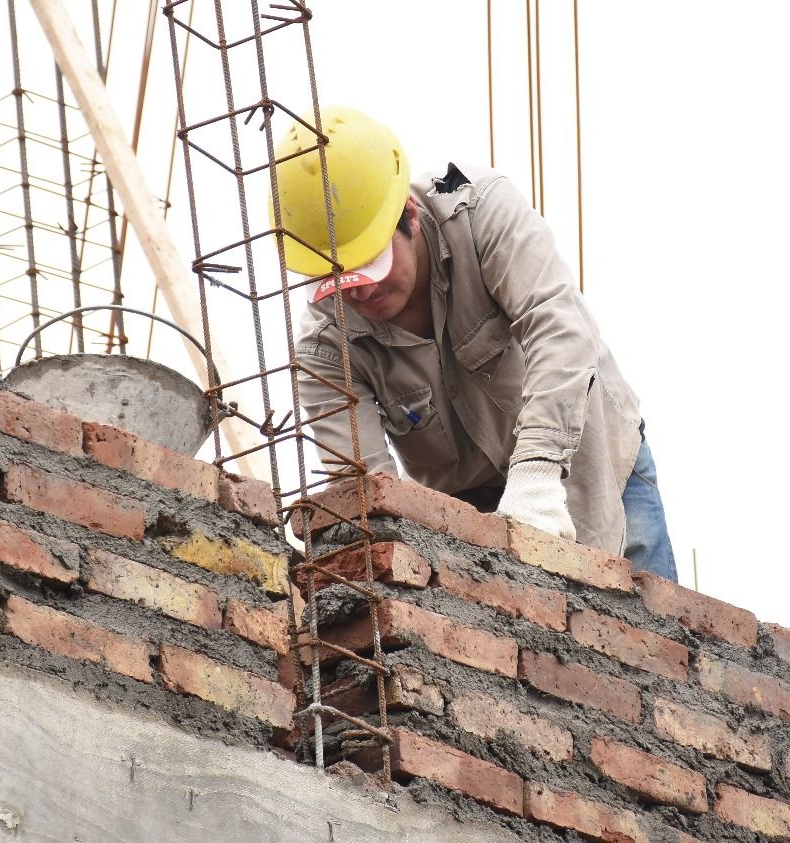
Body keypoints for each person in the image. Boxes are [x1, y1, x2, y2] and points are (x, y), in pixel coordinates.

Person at [275, 106, 678, 581]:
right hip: (465, 515)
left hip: (588, 458)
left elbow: (561, 328)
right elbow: (367, 496)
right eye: (337, 281)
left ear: (408, 215)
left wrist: (537, 470)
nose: (360, 292)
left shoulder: (480, 213)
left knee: (649, 638)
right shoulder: (325, 350)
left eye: (371, 266)